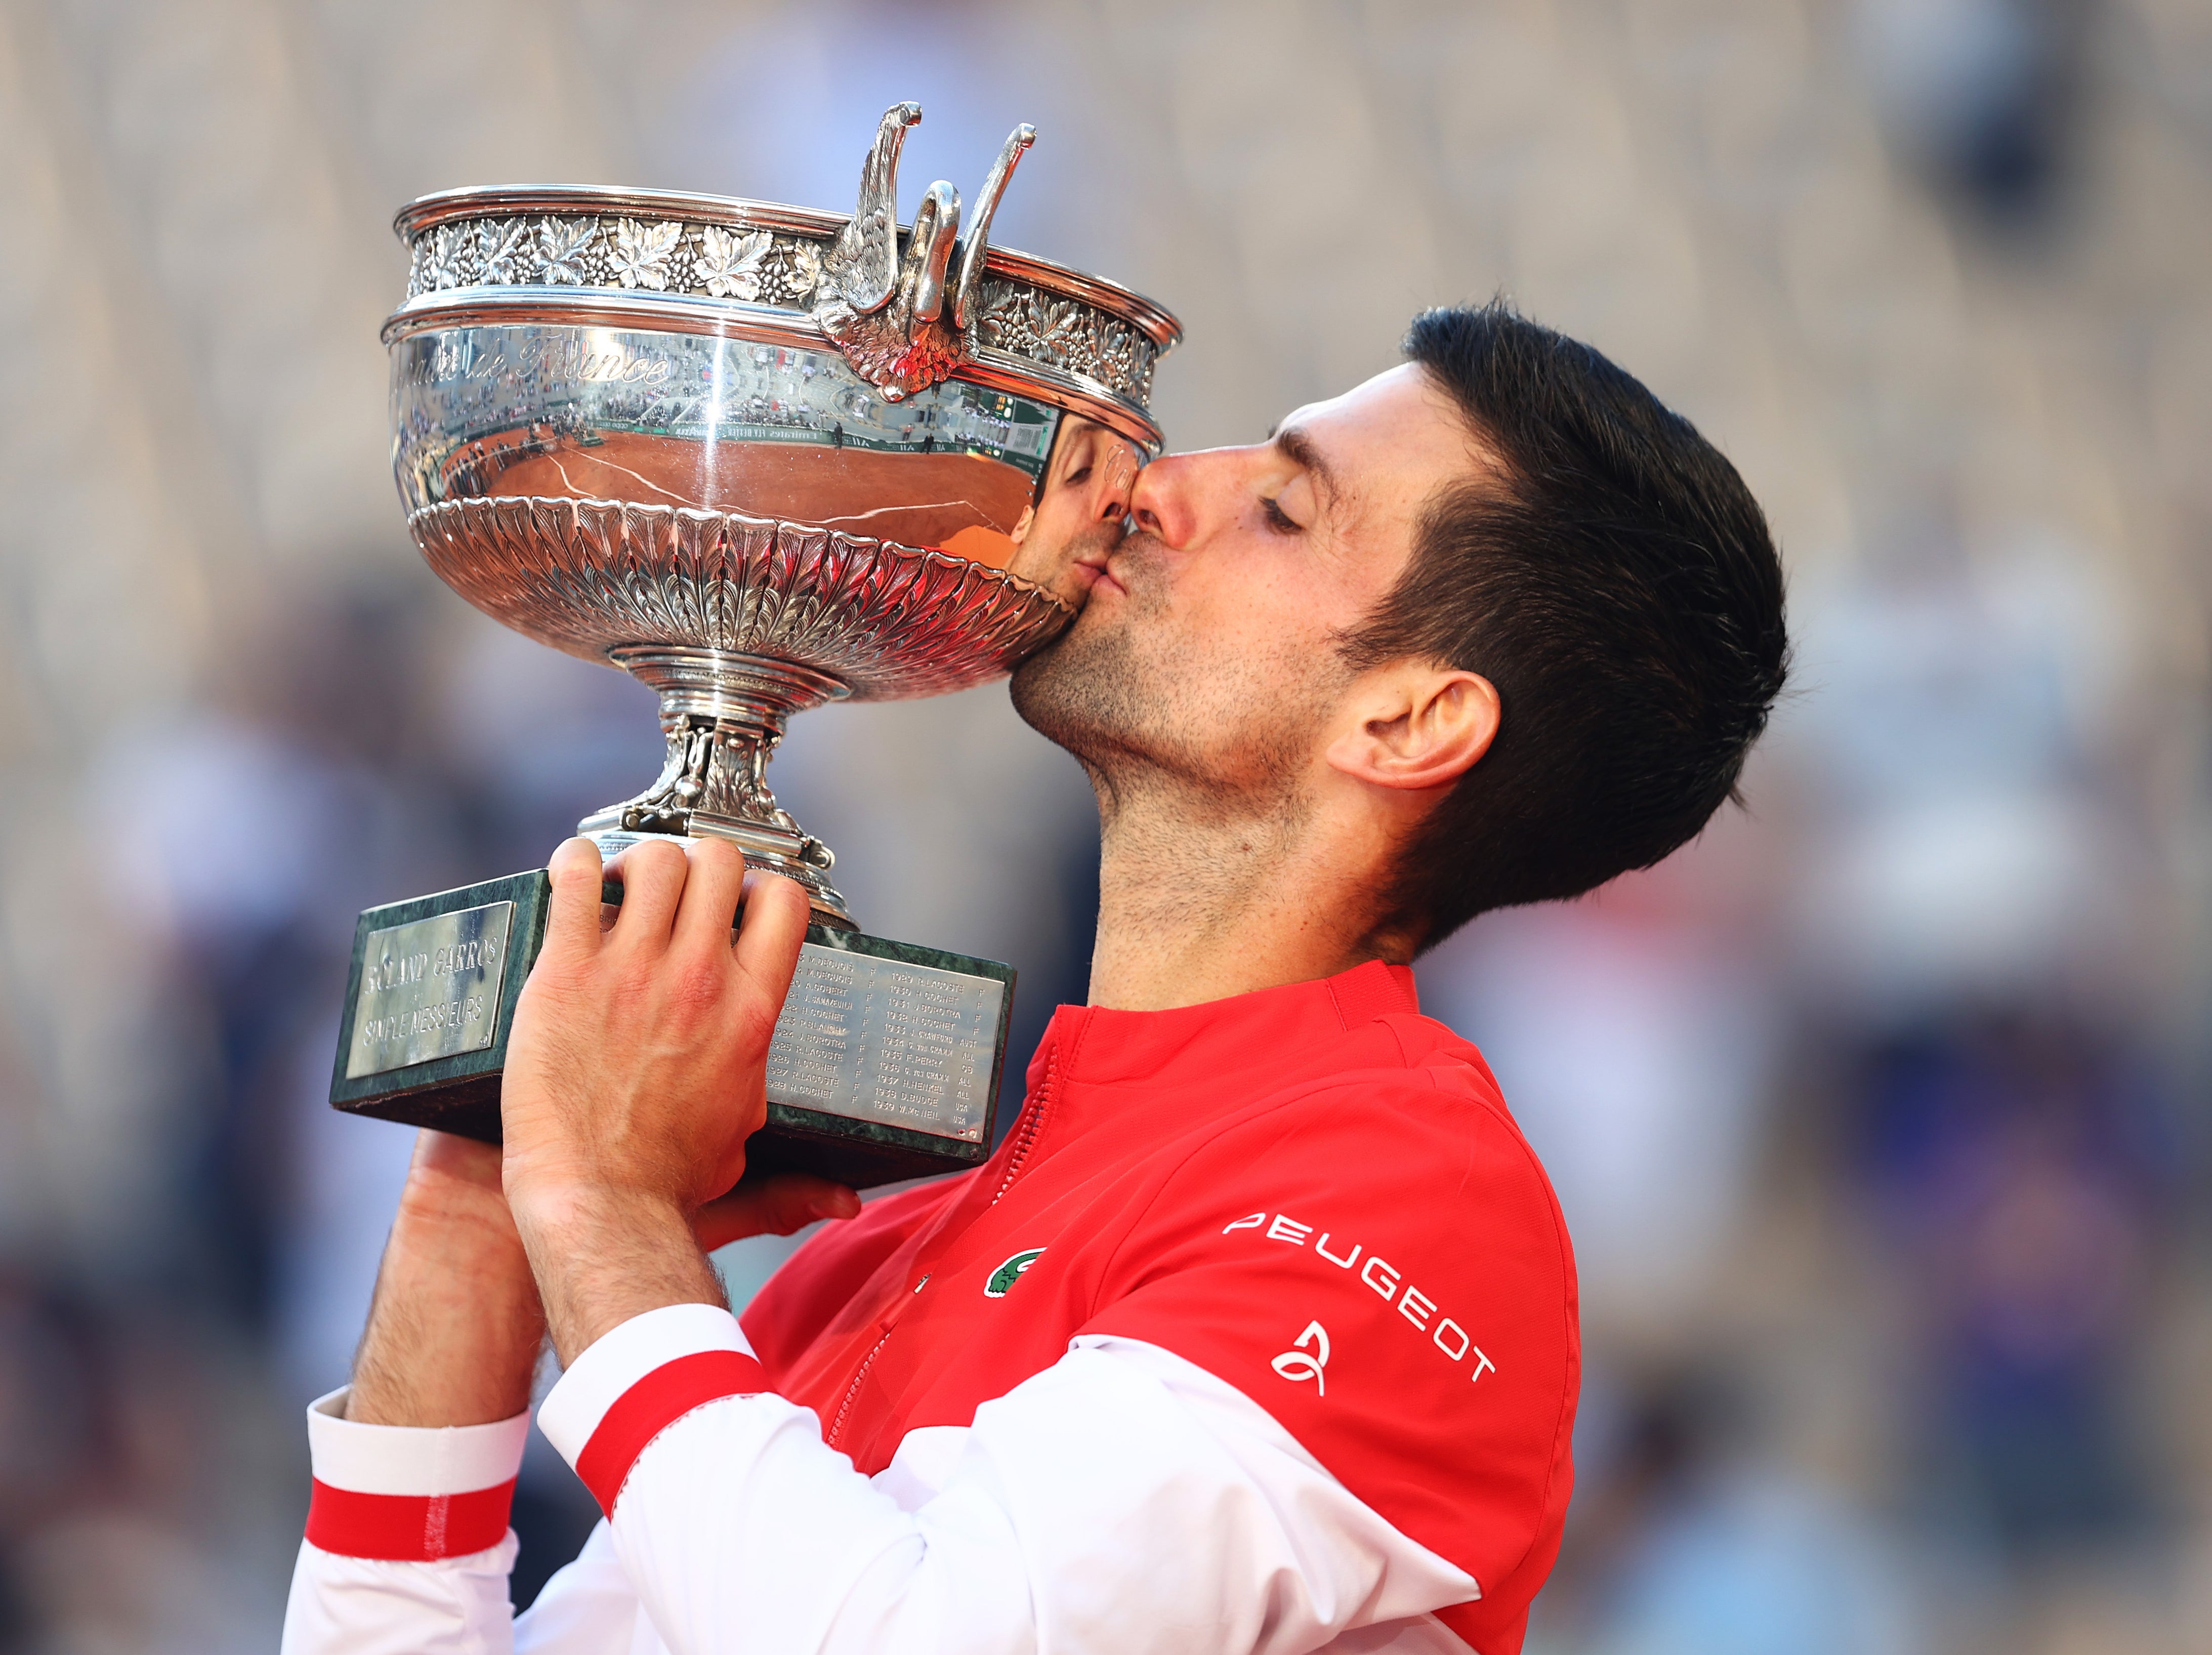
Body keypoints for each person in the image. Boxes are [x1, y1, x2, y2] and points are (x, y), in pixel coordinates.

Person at [280, 302, 1788, 1655]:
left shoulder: (1401, 1197)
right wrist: (482, 1220)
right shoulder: (881, 1254)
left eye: (1277, 506)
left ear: (1407, 722)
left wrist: (600, 1217)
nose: (1149, 483)